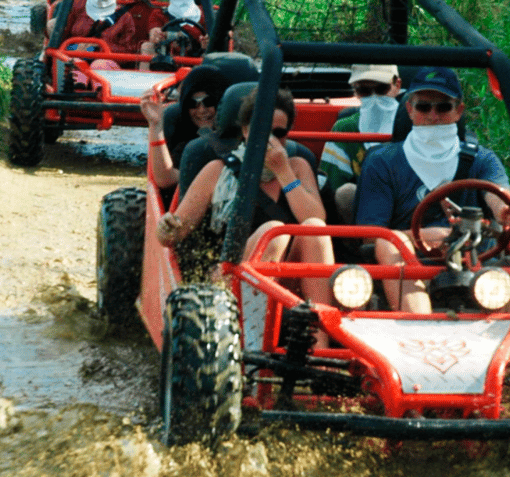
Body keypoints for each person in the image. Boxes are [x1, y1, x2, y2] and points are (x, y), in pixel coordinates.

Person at [355, 66, 510, 313]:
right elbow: (371, 236)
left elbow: (496, 197)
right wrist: (433, 236)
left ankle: (504, 323)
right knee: (388, 245)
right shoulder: (383, 161)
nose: (432, 115)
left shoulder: (482, 159)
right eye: (423, 107)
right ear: (409, 109)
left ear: (458, 110)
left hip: (483, 274)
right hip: (413, 269)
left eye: (443, 107)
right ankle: (418, 324)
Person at [156, 88, 335, 348]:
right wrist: (165, 228)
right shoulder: (217, 170)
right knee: (274, 232)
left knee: (313, 229)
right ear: (246, 131)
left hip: (290, 278)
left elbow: (316, 219)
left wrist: (283, 172)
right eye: (264, 131)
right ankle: (254, 345)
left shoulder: (297, 166)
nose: (271, 140)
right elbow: (175, 232)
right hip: (230, 271)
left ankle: (321, 348)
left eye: (279, 133)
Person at [319, 64, 401, 224]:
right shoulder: (345, 129)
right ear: (355, 92)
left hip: (406, 202)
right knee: (346, 193)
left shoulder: (412, 124)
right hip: (362, 213)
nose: (374, 97)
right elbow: (333, 186)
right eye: (364, 91)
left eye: (381, 89)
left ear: (397, 85)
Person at [140, 65, 230, 208]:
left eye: (209, 101)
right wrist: (156, 125)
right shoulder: (188, 146)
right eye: (192, 103)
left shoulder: (243, 134)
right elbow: (166, 179)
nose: (201, 110)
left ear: (222, 102)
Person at [138, 0, 208, 71]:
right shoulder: (160, 13)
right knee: (147, 46)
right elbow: (154, 33)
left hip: (194, 56)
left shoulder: (204, 14)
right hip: (167, 56)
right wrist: (158, 35)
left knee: (208, 54)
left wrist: (206, 43)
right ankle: (146, 79)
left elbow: (210, 38)